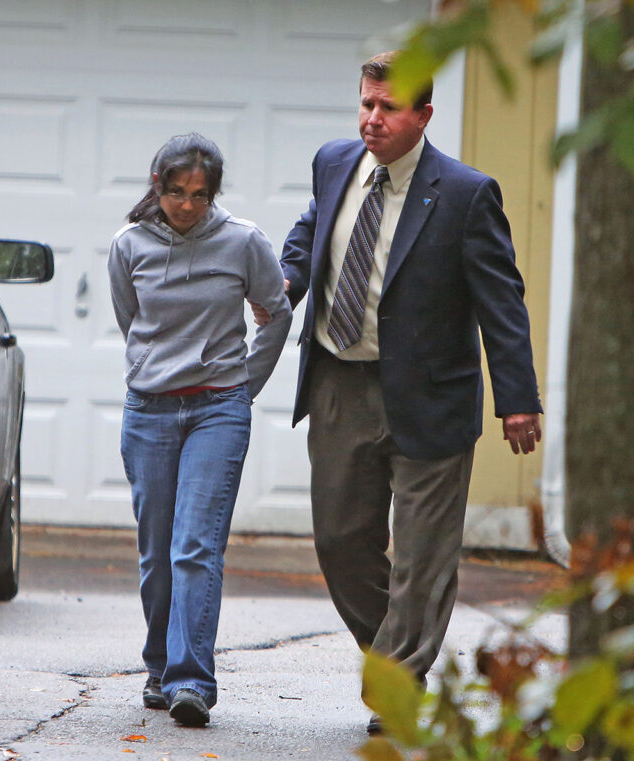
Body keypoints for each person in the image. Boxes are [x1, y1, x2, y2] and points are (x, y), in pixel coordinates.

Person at [261, 51, 542, 735]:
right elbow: (311, 231)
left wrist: (517, 396)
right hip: (338, 382)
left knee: (421, 555)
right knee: (341, 540)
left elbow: (500, 300)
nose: (372, 119)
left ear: (423, 115)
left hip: (431, 394)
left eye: (387, 109)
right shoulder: (334, 163)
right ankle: (397, 661)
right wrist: (287, 279)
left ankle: (398, 685)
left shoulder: (466, 193)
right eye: (365, 104)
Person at [108, 133, 292, 727]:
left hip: (217, 409)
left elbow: (277, 312)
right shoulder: (128, 244)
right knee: (156, 554)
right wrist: (150, 370)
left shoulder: (243, 242)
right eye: (175, 192)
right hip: (150, 412)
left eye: (199, 194)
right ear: (156, 186)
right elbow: (129, 321)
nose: (186, 205)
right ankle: (160, 666)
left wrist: (244, 388)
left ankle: (191, 680)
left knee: (194, 546)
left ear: (213, 194)